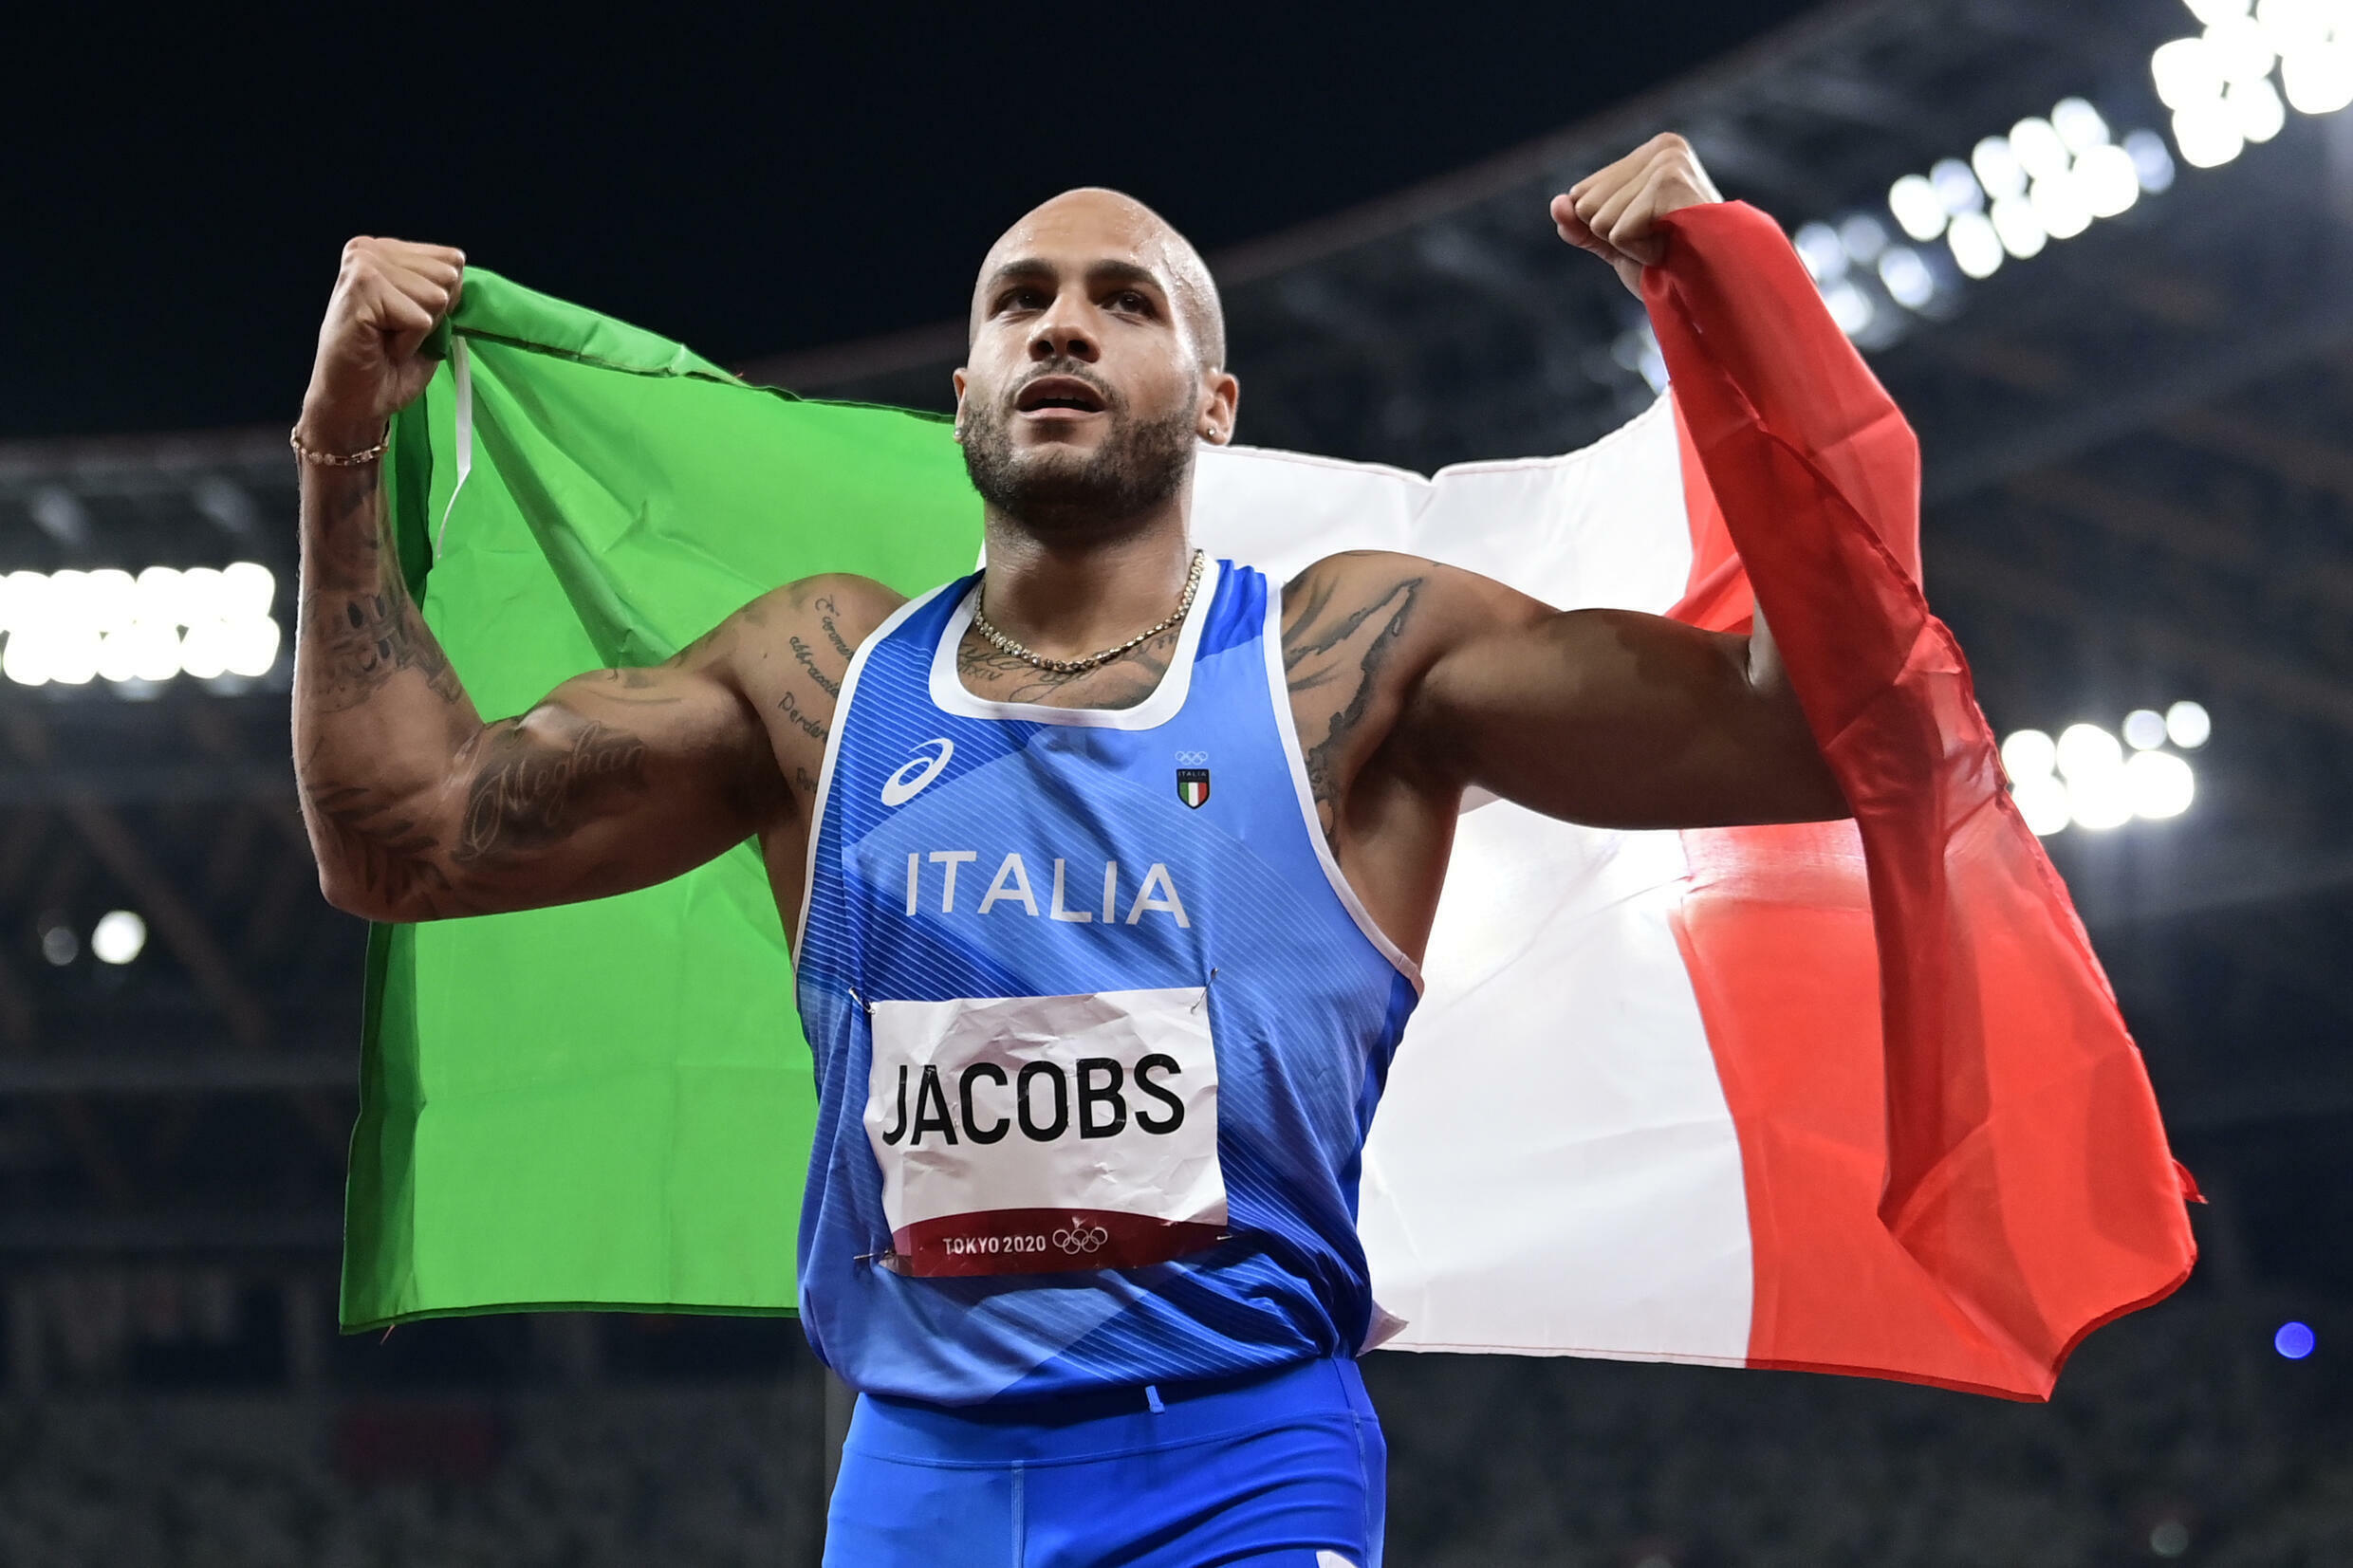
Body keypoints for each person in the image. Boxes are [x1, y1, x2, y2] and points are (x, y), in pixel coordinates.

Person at [292, 134, 1849, 1567]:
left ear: (1216, 402)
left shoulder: (1356, 666)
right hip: (919, 1475)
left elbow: (1806, 728)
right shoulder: (816, 686)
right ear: (966, 390)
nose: (1061, 326)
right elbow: (404, 843)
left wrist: (1736, 311)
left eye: (1125, 301)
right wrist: (340, 456)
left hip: (1243, 1458)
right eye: (1018, 300)